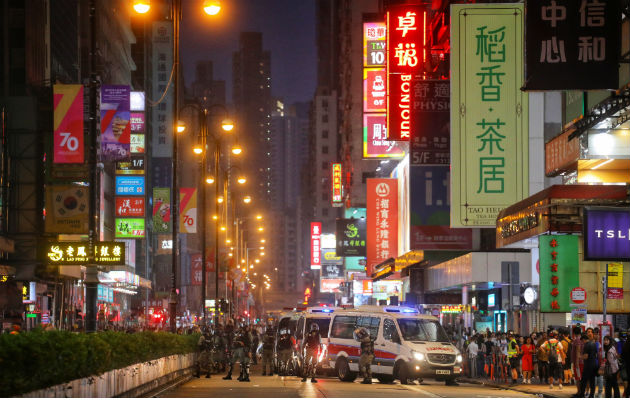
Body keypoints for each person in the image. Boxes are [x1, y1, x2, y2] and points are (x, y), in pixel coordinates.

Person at [576, 332, 598, 398]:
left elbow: (586, 356)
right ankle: (591, 395)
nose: (582, 342)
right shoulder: (594, 344)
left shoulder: (587, 345)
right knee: (592, 381)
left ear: (584, 339)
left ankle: (582, 394)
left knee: (584, 380)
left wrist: (579, 356)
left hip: (588, 365)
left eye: (582, 341)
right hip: (594, 364)